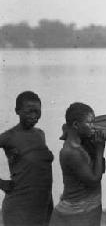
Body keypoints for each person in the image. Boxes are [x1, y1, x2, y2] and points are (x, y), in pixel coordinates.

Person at [0, 91, 54, 226]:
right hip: (19, 208)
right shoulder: (9, 137)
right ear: (17, 111)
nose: (34, 116)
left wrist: (50, 206)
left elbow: (43, 171)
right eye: (29, 111)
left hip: (43, 205)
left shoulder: (40, 134)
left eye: (37, 111)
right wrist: (1, 183)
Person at [50, 102, 106, 226]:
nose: (93, 126)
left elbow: (101, 168)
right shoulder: (72, 152)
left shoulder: (81, 144)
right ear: (76, 125)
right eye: (90, 122)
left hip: (85, 209)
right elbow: (94, 180)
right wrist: (99, 150)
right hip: (78, 213)